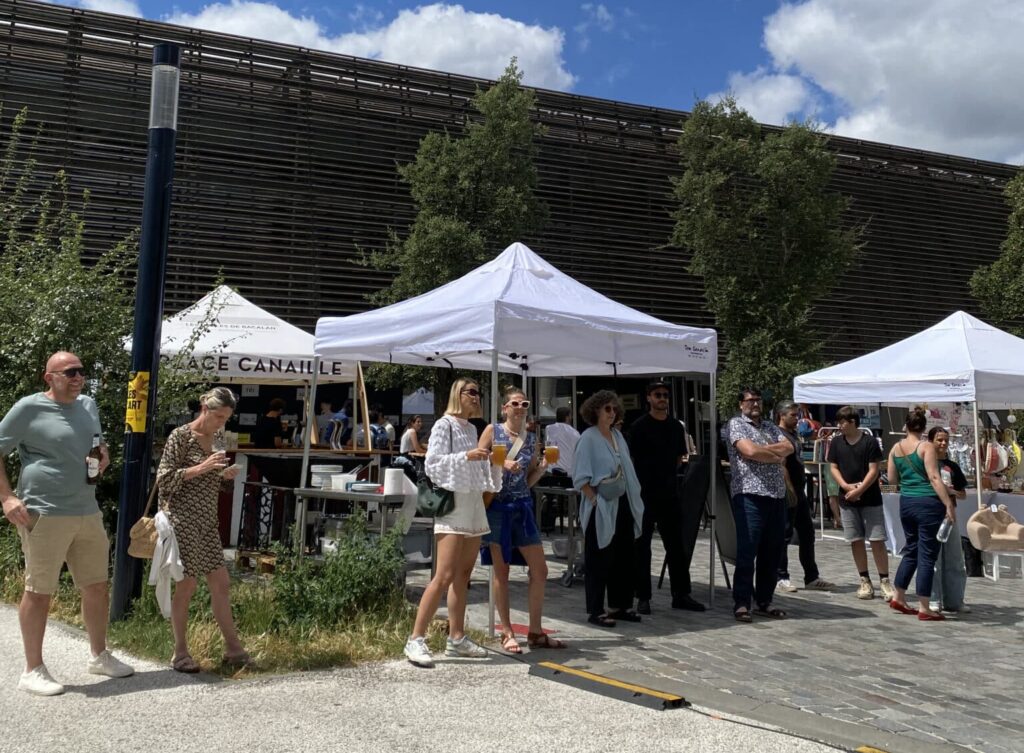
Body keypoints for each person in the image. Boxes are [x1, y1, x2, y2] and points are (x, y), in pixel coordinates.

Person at [0, 351, 133, 696]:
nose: (78, 378)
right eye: (70, 372)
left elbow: (96, 446)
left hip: (86, 510)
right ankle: (32, 669)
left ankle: (99, 654)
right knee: (39, 590)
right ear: (50, 377)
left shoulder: (88, 405)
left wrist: (104, 456)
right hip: (44, 511)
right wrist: (7, 497)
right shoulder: (29, 409)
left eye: (82, 372)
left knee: (96, 585)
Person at [403, 378, 501, 667]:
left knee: (463, 575)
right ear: (458, 395)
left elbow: (476, 469)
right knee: (443, 575)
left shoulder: (472, 428)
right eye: (472, 392)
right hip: (453, 505)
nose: (477, 397)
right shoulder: (444, 424)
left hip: (471, 503)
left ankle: (456, 637)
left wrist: (493, 463)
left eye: (478, 393)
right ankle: (416, 638)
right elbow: (433, 464)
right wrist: (468, 456)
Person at [157, 387, 250, 672]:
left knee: (221, 584)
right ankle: (180, 653)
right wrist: (203, 466)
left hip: (207, 521)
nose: (221, 423)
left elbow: (213, 480)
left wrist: (224, 475)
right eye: (218, 416)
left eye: (226, 418)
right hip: (182, 520)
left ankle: (234, 650)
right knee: (187, 586)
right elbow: (164, 480)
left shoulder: (219, 437)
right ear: (204, 408)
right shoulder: (181, 436)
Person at [478, 387, 565, 652]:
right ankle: (506, 631)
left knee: (540, 570)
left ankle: (535, 632)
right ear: (505, 408)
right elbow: (477, 460)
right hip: (498, 507)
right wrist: (501, 463)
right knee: (501, 571)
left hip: (523, 507)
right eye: (514, 403)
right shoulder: (493, 430)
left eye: (524, 403)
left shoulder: (531, 439)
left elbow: (526, 480)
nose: (519, 407)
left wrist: (541, 470)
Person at [628, 380, 705, 614]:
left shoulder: (674, 427)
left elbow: (678, 458)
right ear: (649, 398)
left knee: (676, 546)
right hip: (644, 493)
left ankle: (681, 593)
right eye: (658, 395)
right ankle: (643, 596)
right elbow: (632, 460)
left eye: (665, 395)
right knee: (642, 546)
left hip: (670, 493)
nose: (662, 398)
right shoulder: (639, 426)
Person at [573, 390, 645, 628]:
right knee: (599, 558)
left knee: (624, 555)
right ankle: (595, 609)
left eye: (615, 409)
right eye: (607, 409)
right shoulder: (588, 438)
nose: (612, 413)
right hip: (601, 504)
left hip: (622, 501)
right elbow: (580, 476)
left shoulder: (618, 436)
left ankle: (619, 605)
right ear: (595, 410)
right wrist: (594, 500)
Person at [722, 387, 792, 623]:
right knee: (748, 550)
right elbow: (748, 451)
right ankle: (742, 602)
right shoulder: (736, 425)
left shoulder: (771, 426)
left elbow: (789, 448)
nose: (755, 404)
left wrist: (764, 452)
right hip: (749, 495)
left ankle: (764, 600)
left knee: (772, 552)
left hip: (776, 495)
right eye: (750, 400)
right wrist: (772, 454)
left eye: (758, 400)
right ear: (741, 404)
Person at [886, 409, 957, 620]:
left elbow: (892, 480)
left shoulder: (895, 448)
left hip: (906, 502)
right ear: (924, 427)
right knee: (927, 555)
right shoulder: (926, 446)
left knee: (911, 550)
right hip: (927, 503)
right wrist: (948, 505)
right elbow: (934, 477)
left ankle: (898, 596)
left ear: (906, 426)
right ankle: (925, 606)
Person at [827, 406, 892, 600]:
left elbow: (874, 470)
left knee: (877, 539)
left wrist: (860, 489)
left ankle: (885, 580)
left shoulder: (870, 442)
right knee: (855, 539)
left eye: (842, 422)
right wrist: (846, 487)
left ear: (853, 422)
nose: (839, 426)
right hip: (847, 499)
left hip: (870, 497)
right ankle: (864, 579)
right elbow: (833, 467)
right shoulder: (837, 442)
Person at [775, 401, 834, 592]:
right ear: (781, 416)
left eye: (797, 414)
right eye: (792, 415)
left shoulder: (794, 435)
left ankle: (811, 576)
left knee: (807, 534)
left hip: (799, 492)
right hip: (788, 491)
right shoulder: (779, 435)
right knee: (784, 534)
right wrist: (789, 489)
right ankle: (780, 576)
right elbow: (781, 464)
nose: (797, 418)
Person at [928, 427, 969, 613]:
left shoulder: (952, 466)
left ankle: (955, 599)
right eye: (939, 440)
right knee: (934, 559)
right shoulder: (926, 464)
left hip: (950, 515)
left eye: (945, 440)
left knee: (955, 558)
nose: (943, 443)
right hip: (932, 513)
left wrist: (950, 491)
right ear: (931, 441)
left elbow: (963, 494)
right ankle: (934, 598)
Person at [545, 406, 580, 479]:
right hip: (568, 472)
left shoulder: (549, 428)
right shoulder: (575, 433)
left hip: (551, 470)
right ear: (567, 417)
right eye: (570, 415)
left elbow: (549, 445)